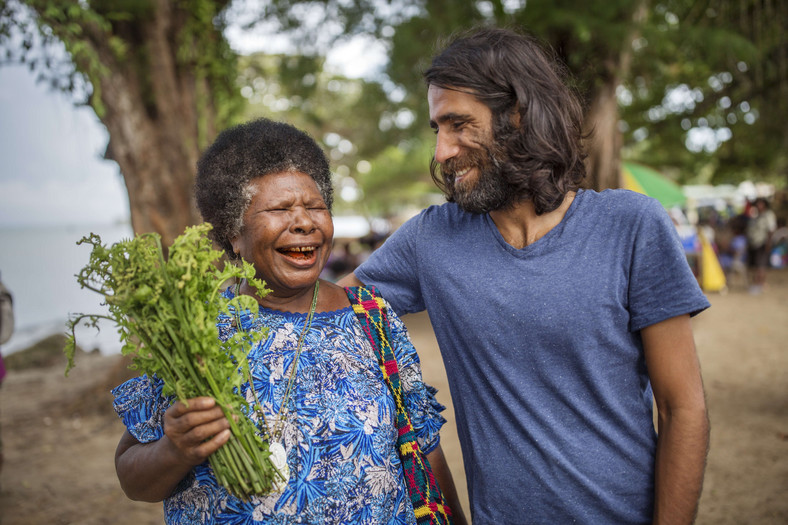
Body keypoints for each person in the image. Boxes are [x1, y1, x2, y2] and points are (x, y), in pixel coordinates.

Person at [339, 27, 710, 524]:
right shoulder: (431, 240)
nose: (443, 151)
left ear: (517, 115)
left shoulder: (631, 226)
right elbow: (323, 310)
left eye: (459, 125)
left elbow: (682, 407)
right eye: (437, 130)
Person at [111, 118, 466, 524]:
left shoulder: (372, 318)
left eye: (316, 207)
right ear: (233, 233)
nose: (305, 222)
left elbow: (425, 448)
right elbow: (133, 479)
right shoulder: (196, 332)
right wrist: (173, 451)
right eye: (280, 209)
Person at [745, 197, 777, 294]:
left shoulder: (768, 215)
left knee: (761, 265)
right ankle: (758, 283)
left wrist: (768, 243)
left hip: (762, 243)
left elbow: (771, 230)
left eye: (761, 204)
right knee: (755, 265)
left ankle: (759, 283)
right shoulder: (756, 215)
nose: (759, 206)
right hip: (754, 244)